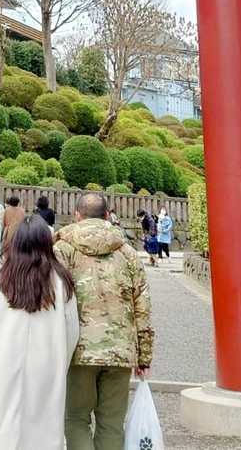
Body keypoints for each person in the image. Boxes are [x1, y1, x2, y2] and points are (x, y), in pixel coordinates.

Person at [54, 191, 154, 450]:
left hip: (78, 350)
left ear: (77, 215)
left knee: (76, 418)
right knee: (111, 423)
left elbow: (53, 300)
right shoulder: (127, 252)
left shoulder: (62, 249)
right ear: (108, 216)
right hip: (120, 350)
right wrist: (144, 356)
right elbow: (142, 305)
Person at [0, 216, 79, 450]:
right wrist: (62, 362)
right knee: (44, 425)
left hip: (3, 360)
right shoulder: (61, 280)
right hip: (47, 363)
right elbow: (72, 330)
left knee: (1, 424)